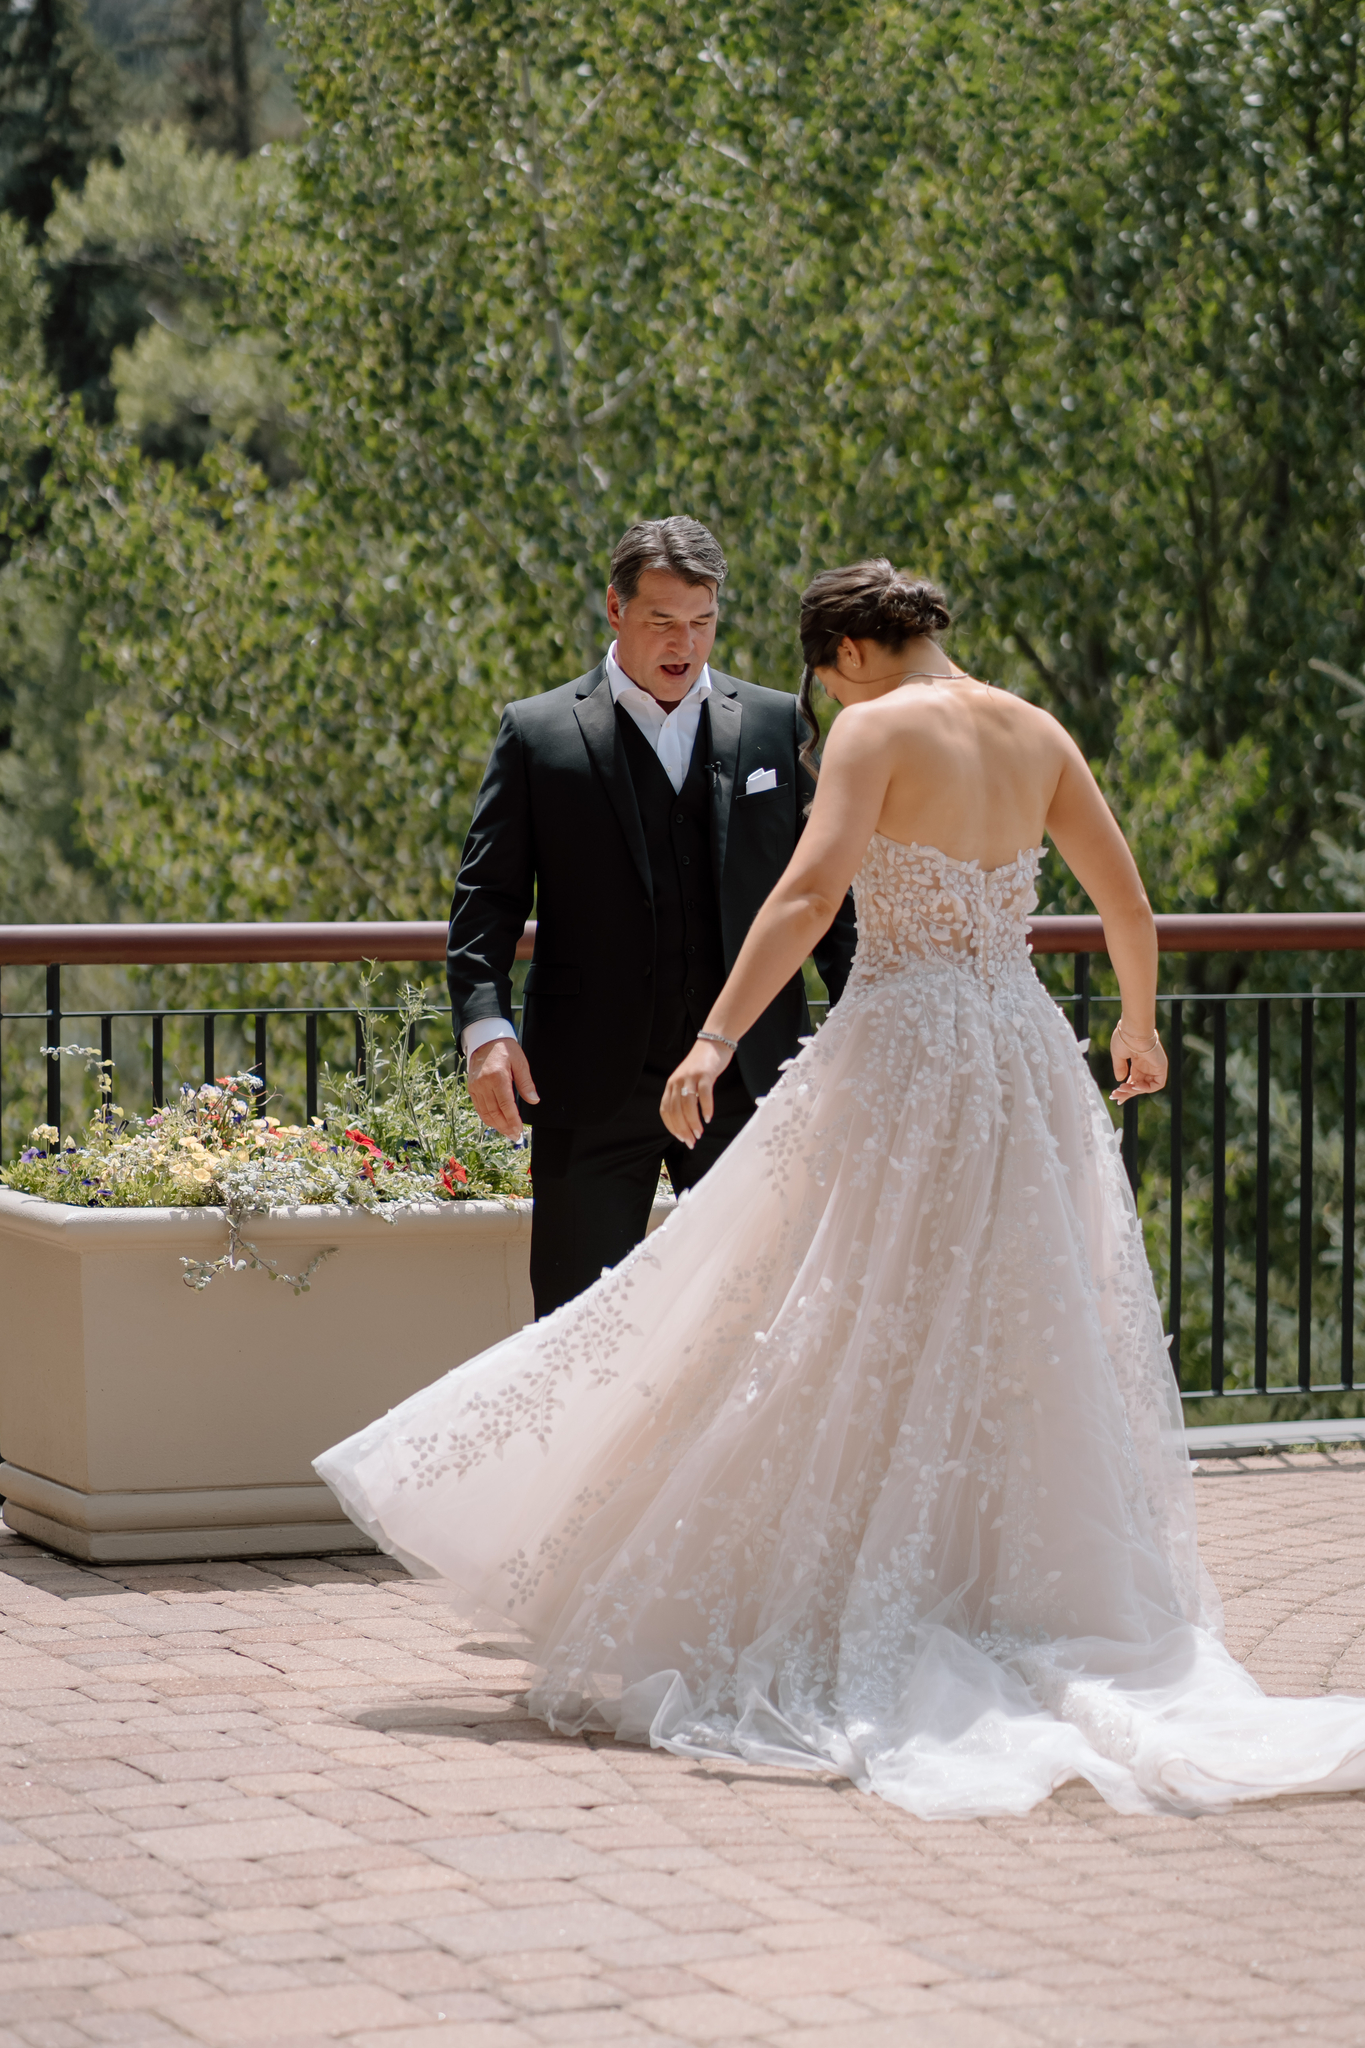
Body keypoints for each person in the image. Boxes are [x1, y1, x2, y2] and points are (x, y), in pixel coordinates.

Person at [319, 560, 1365, 1819]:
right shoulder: (1036, 730)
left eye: (822, 679)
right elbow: (1127, 901)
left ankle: (862, 1581)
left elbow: (811, 892)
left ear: (849, 654)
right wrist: (1136, 1025)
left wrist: (713, 1038)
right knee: (1008, 1328)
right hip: (1021, 1059)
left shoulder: (875, 730)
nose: (825, 706)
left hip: (908, 1056)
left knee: (818, 1308)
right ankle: (990, 1584)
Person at [446, 515, 857, 1317]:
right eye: (663, 620)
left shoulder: (774, 723)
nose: (685, 643)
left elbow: (827, 902)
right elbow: (485, 900)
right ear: (614, 608)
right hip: (590, 1084)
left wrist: (862, 1023)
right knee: (575, 1328)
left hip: (748, 1080)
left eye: (702, 621)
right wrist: (486, 1031)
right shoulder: (537, 732)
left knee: (756, 1323)